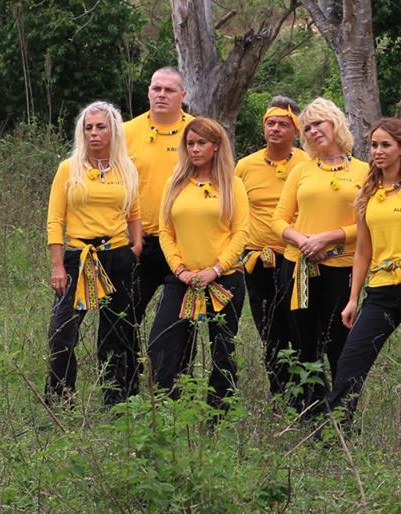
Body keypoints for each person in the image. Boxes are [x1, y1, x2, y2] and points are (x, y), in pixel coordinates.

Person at [310, 118, 401, 447]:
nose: (378, 151)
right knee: (351, 360)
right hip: (380, 290)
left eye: (386, 145)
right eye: (373, 145)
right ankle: (336, 433)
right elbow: (362, 252)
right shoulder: (367, 193)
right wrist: (353, 299)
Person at [271, 97, 368, 411]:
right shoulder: (301, 170)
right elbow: (279, 219)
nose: (313, 131)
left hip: (342, 267)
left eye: (318, 124)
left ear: (335, 123)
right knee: (304, 343)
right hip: (298, 267)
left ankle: (343, 413)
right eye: (307, 128)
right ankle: (311, 412)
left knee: (341, 343)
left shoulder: (364, 171)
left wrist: (329, 237)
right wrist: (302, 240)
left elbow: (368, 224)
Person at [147, 118, 249, 414]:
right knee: (163, 343)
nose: (194, 149)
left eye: (201, 143)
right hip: (183, 279)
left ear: (216, 146)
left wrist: (215, 269)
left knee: (222, 349)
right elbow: (165, 231)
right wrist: (180, 270)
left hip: (223, 280)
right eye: (190, 143)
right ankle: (171, 409)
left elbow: (241, 232)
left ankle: (220, 415)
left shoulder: (232, 184)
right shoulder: (175, 183)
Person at [45, 101, 142, 406]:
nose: (94, 133)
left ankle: (117, 399)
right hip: (80, 257)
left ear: (114, 131)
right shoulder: (68, 168)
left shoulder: (126, 168)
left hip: (117, 255)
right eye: (88, 128)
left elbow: (134, 214)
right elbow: (55, 220)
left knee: (117, 331)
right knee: (62, 331)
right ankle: (61, 397)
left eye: (101, 127)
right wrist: (58, 266)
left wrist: (136, 247)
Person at [234, 96, 309, 399]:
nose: (276, 129)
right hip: (258, 259)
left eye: (283, 124)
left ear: (296, 130)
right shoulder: (245, 166)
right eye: (271, 123)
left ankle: (306, 395)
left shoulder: (307, 163)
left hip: (298, 258)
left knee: (300, 326)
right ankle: (279, 395)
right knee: (269, 329)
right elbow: (232, 210)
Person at [123, 67, 195, 327]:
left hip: (183, 242)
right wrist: (124, 226)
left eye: (169, 90)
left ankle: (174, 357)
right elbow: (112, 184)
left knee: (179, 324)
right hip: (138, 240)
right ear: (148, 92)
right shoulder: (126, 132)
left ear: (183, 95)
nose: (162, 94)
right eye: (157, 88)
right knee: (123, 315)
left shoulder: (196, 132)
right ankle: (123, 358)